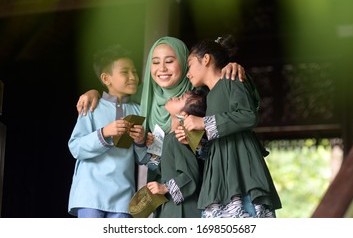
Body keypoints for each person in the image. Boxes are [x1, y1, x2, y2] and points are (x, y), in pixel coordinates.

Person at [75, 36, 246, 183]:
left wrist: (229, 69)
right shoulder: (142, 95)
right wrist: (94, 92)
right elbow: (115, 93)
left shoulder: (201, 92)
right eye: (155, 62)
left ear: (185, 62)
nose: (162, 68)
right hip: (160, 183)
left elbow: (237, 115)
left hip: (205, 179)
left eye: (170, 61)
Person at [181, 35, 282, 218]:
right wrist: (195, 138)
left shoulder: (232, 77)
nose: (187, 73)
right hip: (219, 170)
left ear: (206, 59)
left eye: (189, 65)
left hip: (240, 164)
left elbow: (248, 116)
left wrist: (202, 122)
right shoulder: (209, 96)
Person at [68, 45, 150, 218]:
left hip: (123, 198)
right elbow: (75, 147)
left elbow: (143, 159)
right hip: (90, 194)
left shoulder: (139, 111)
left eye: (134, 71)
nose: (133, 77)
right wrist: (104, 132)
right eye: (125, 72)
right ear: (106, 78)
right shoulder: (91, 107)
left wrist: (141, 141)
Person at [146, 88, 207, 218]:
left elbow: (190, 175)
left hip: (183, 211)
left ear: (184, 115)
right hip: (170, 208)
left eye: (179, 99)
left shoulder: (179, 139)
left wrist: (164, 188)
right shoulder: (169, 137)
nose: (174, 97)